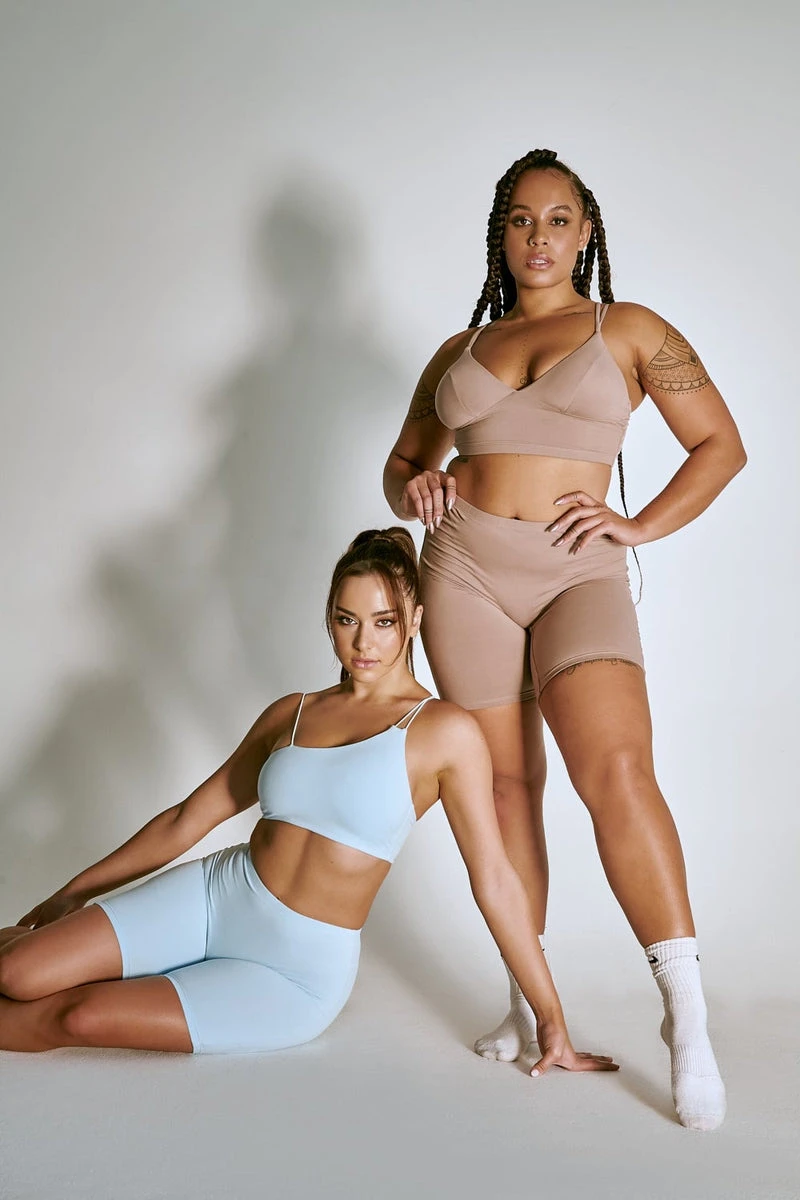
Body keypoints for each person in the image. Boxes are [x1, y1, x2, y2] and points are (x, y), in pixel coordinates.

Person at [383, 149, 746, 1132]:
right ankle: (525, 996)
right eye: (518, 219)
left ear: (585, 232)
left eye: (555, 219)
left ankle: (686, 1016)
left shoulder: (628, 329)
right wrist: (415, 488)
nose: (536, 237)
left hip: (578, 570)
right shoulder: (460, 347)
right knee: (504, 787)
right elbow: (403, 465)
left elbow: (721, 445)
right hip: (463, 569)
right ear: (498, 234)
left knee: (616, 771)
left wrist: (637, 525)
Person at [0, 528, 616, 1079]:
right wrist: (72, 892)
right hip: (217, 897)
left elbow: (496, 881)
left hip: (294, 971)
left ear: (414, 620)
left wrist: (550, 1019)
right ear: (330, 619)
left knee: (77, 1017)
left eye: (383, 621)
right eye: (347, 620)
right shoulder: (291, 713)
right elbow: (187, 819)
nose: (363, 642)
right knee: (16, 971)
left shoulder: (445, 732)